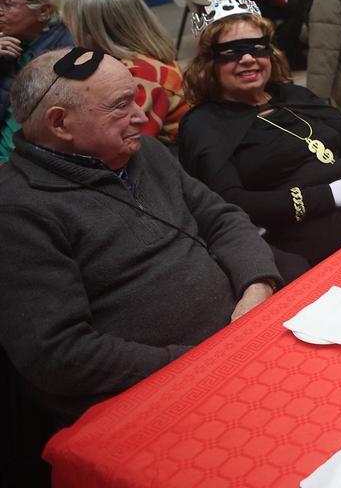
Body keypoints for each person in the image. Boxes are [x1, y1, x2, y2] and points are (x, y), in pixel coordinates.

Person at [0, 47, 280, 426]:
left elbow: (222, 218)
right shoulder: (18, 211)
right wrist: (200, 360)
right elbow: (61, 355)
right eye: (120, 106)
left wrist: (257, 286)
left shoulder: (140, 150)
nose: (141, 116)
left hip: (243, 337)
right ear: (60, 124)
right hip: (160, 392)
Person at [178, 0, 341, 267]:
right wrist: (328, 196)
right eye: (231, 52)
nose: (248, 59)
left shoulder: (291, 95)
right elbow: (231, 202)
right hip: (301, 236)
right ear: (209, 62)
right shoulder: (205, 125)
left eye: (257, 48)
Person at [63, 0, 189, 145]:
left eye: (72, 28)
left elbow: (130, 143)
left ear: (93, 35)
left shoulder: (140, 76)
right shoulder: (145, 59)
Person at [0, 0, 72, 165]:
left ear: (43, 12)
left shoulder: (65, 54)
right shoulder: (10, 41)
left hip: (25, 163)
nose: (0, 11)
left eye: (7, 4)